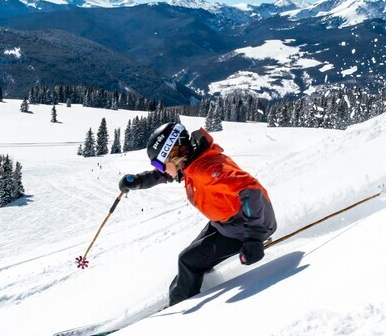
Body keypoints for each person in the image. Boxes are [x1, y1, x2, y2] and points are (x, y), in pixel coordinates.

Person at [119, 122, 277, 306]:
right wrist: (138, 181)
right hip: (226, 223)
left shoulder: (206, 169)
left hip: (245, 227)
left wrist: (254, 238)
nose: (160, 169)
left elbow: (250, 190)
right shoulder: (192, 161)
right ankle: (182, 297)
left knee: (188, 261)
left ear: (173, 155)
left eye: (160, 164)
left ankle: (181, 307)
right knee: (189, 260)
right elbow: (165, 175)